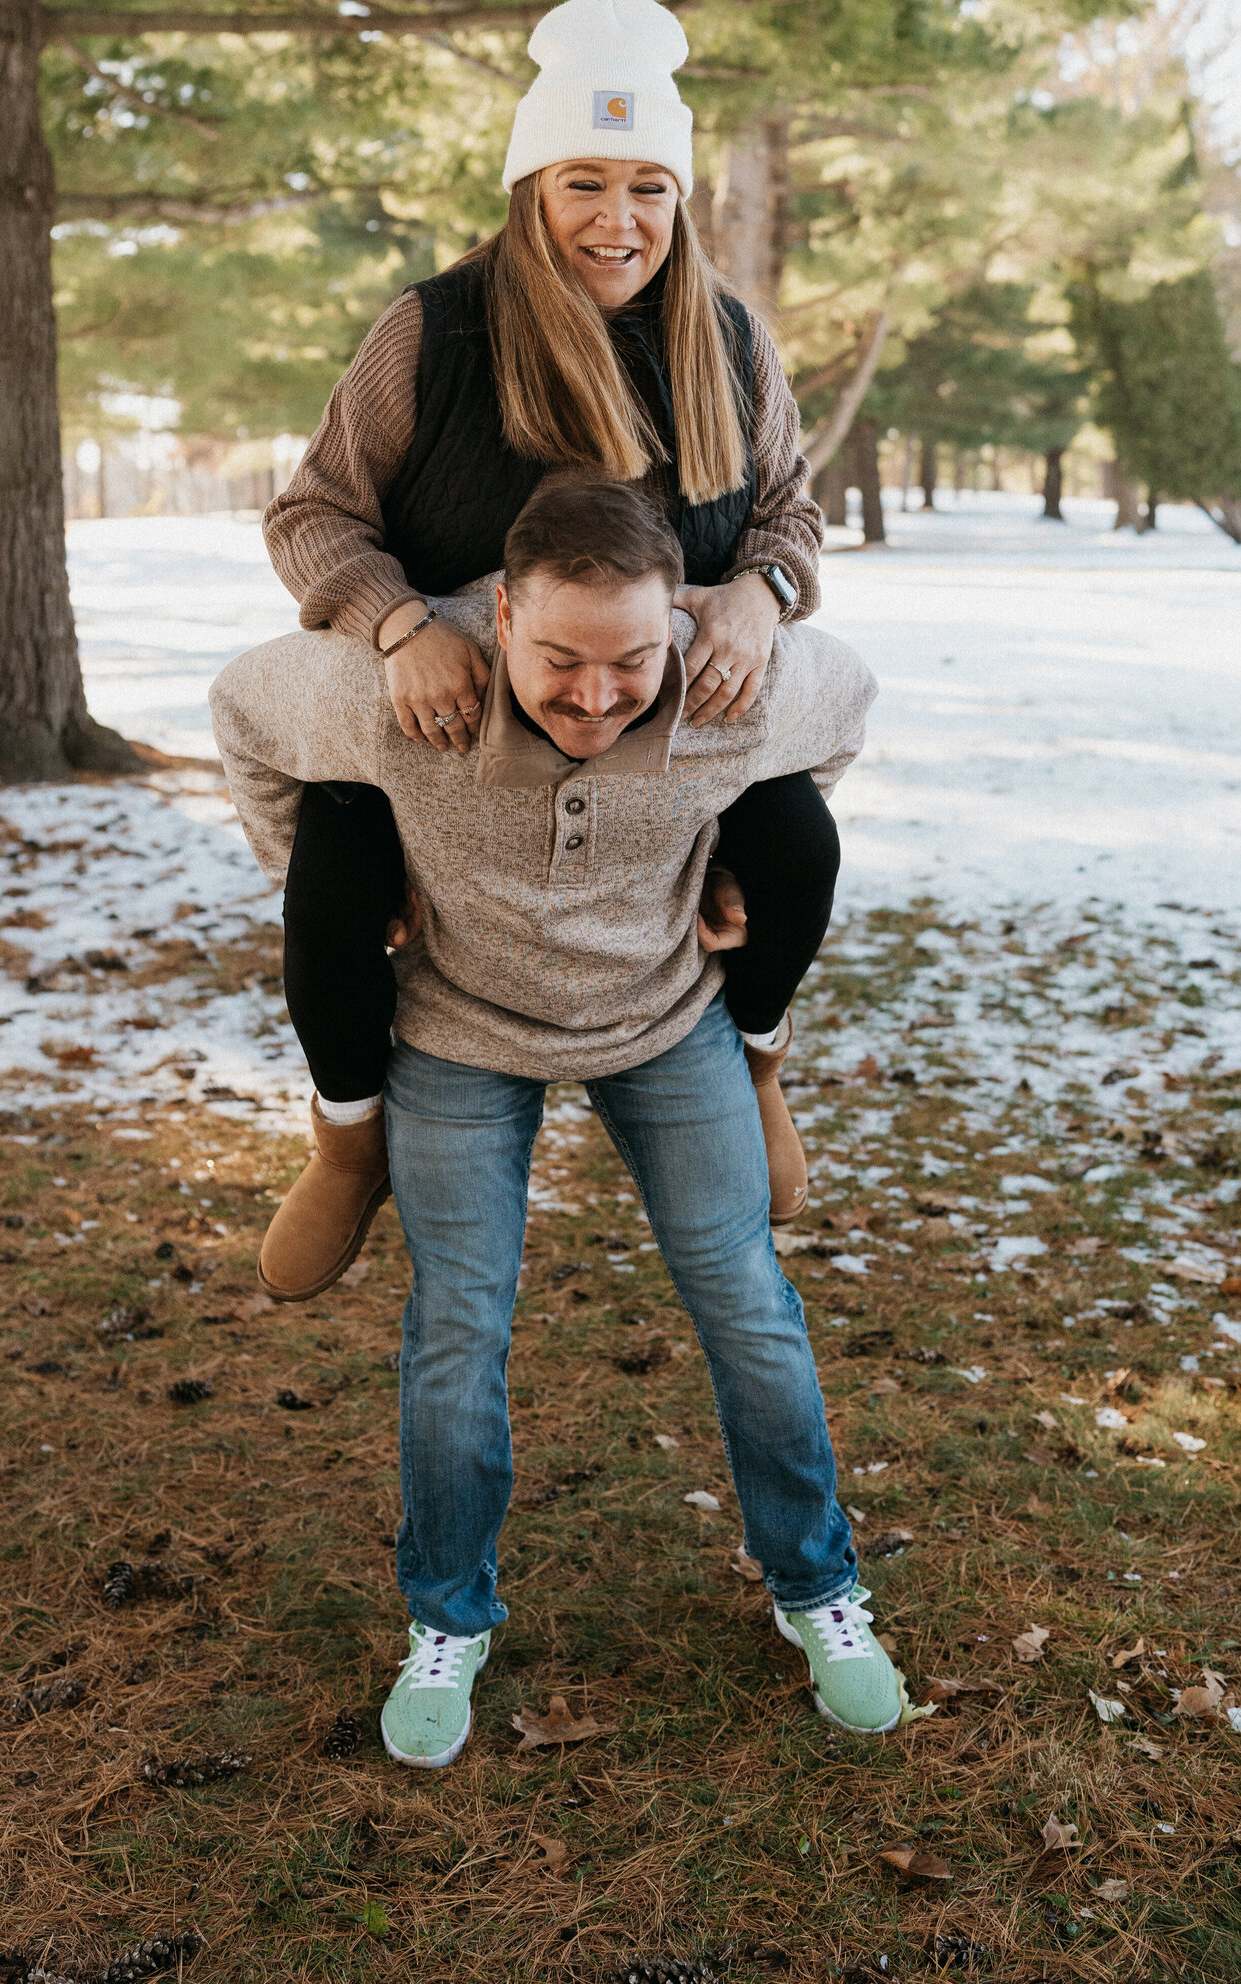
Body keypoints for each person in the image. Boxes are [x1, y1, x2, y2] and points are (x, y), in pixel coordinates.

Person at [209, 474, 907, 1763]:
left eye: (633, 660)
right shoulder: (398, 693)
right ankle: (447, 1616)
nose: (595, 696)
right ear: (496, 615)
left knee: (743, 1292)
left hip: (662, 1018)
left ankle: (820, 1589)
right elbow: (242, 713)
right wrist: (320, 889)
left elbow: (849, 701)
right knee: (458, 1323)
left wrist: (745, 859)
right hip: (461, 1029)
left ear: (682, 630)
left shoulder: (730, 686)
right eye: (560, 660)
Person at [259, 0, 836, 1284]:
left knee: (796, 841)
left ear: (682, 202)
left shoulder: (729, 344)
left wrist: (759, 594)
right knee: (334, 874)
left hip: (658, 736)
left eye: (650, 188)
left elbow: (791, 515)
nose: (618, 221)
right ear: (531, 188)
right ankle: (348, 1139)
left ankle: (757, 1067)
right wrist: (400, 625)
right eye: (585, 181)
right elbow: (312, 516)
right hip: (452, 737)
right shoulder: (436, 330)